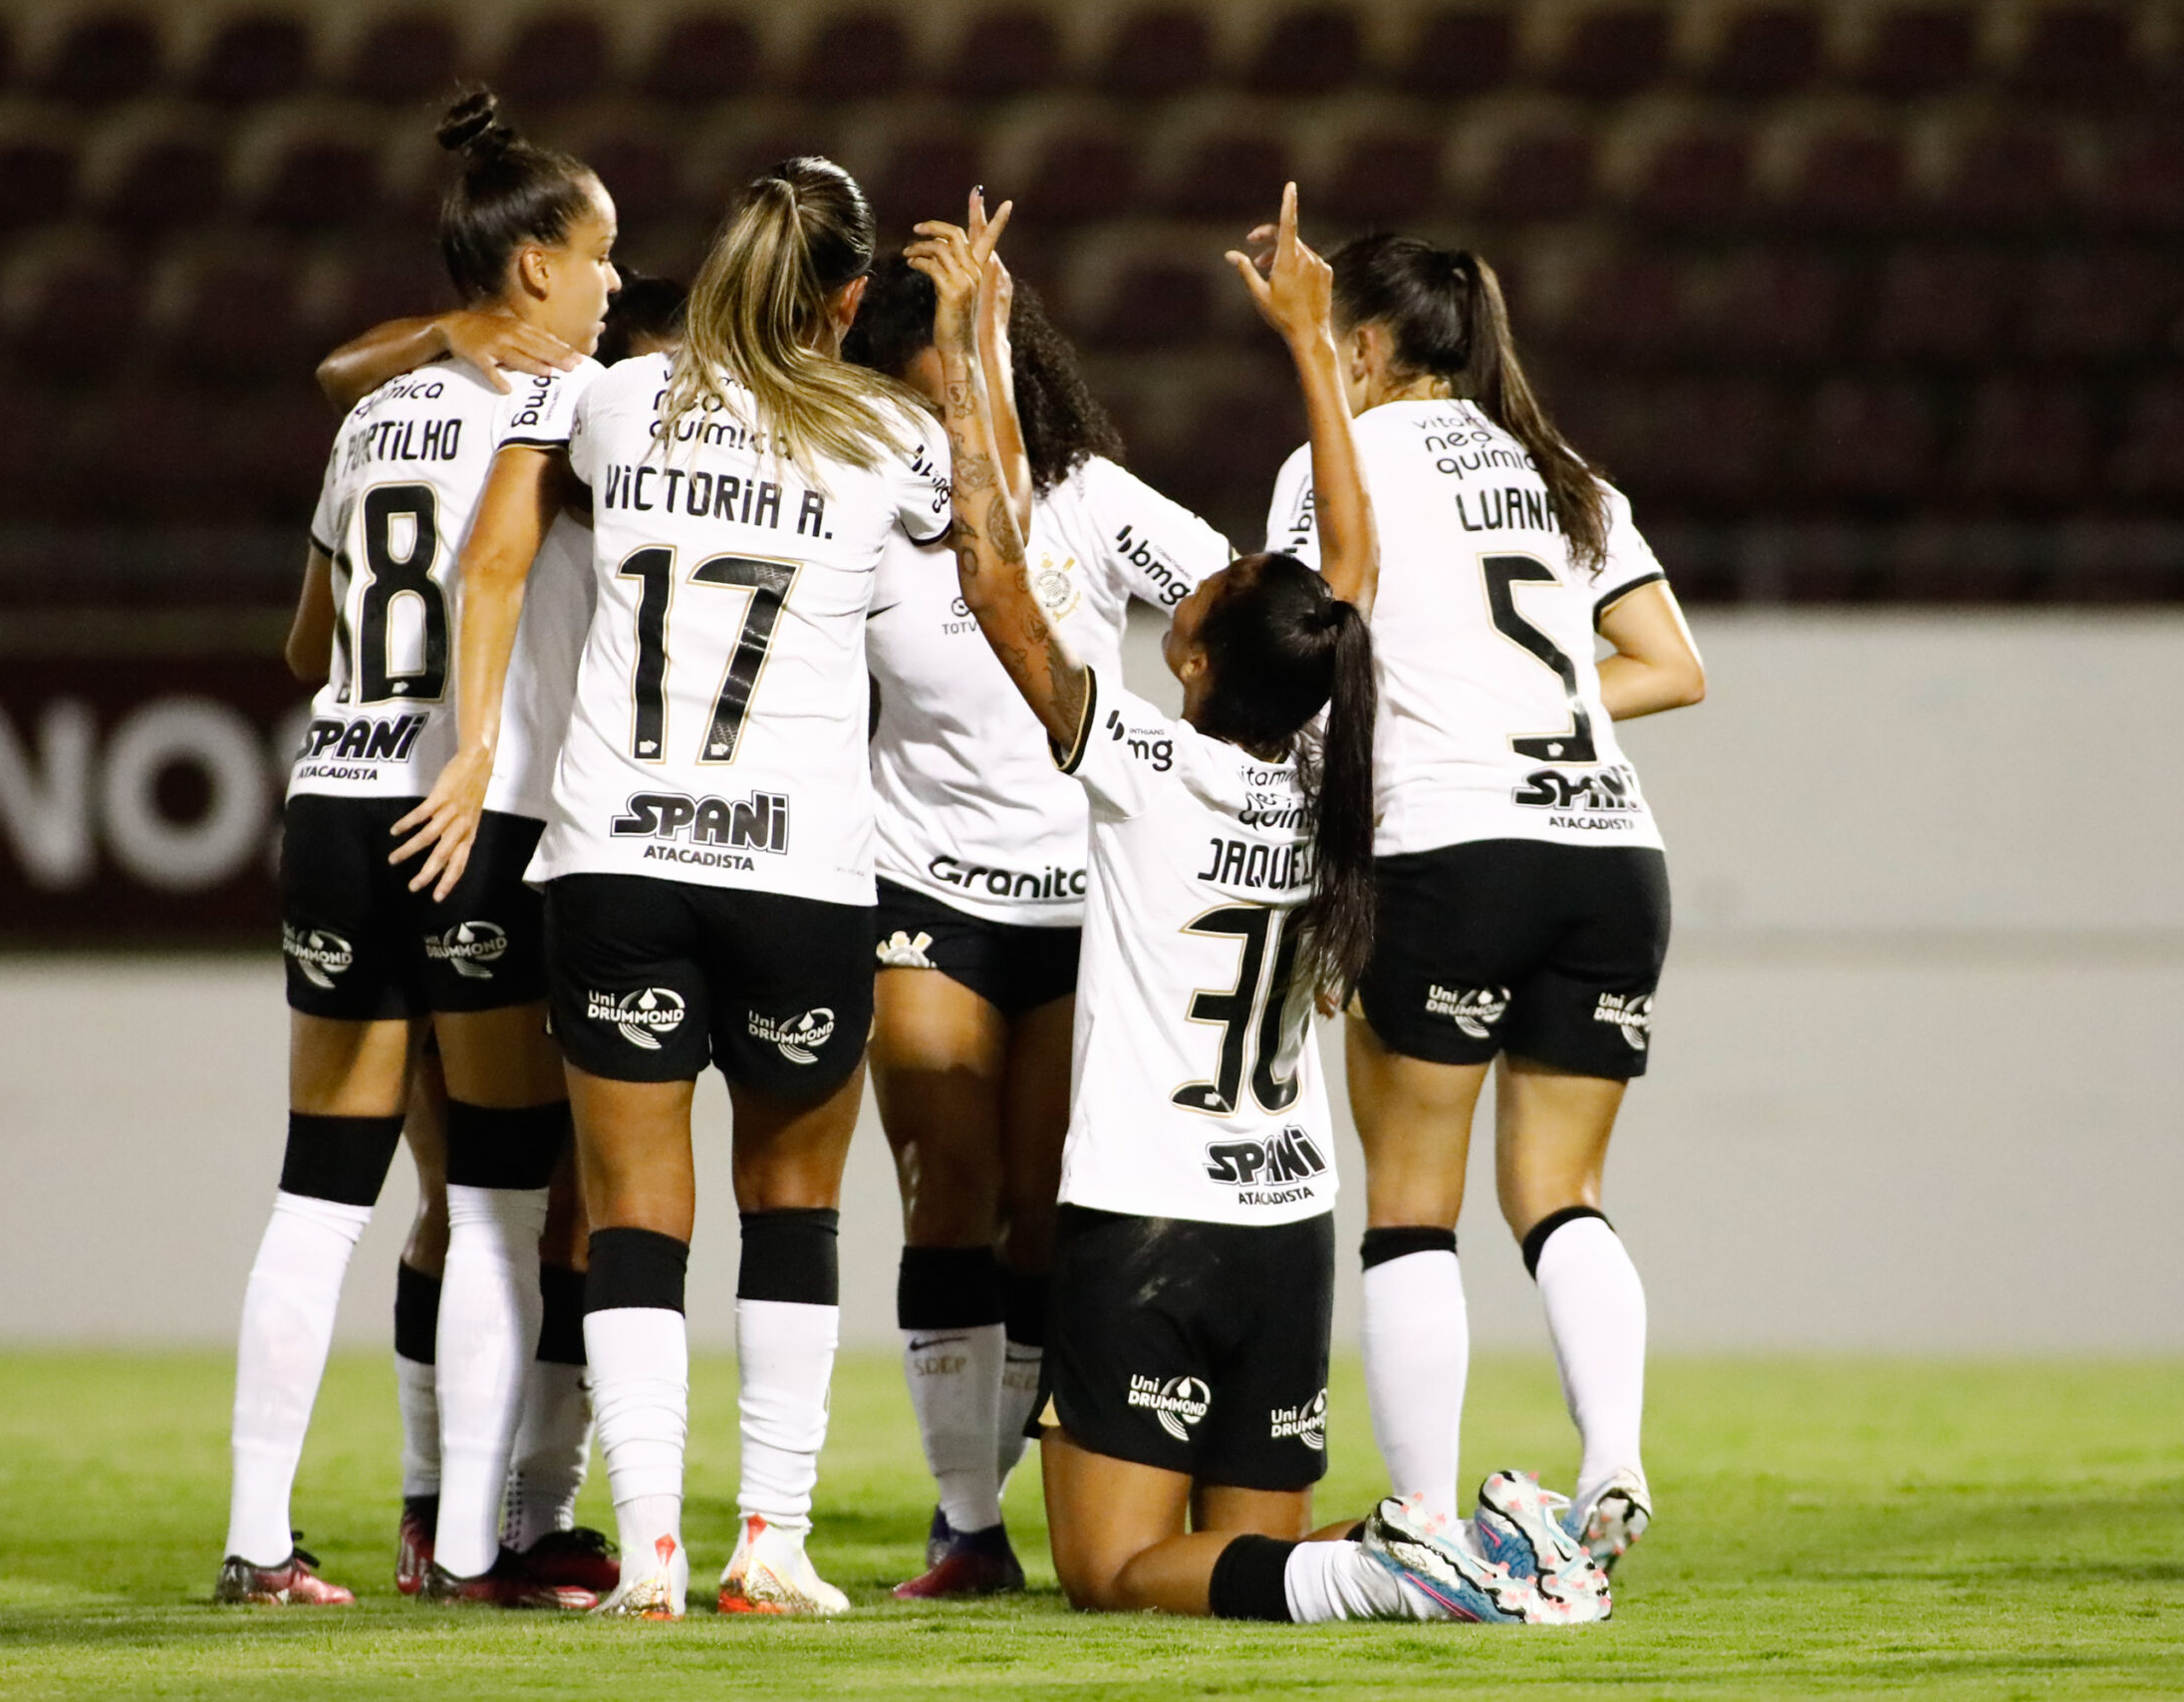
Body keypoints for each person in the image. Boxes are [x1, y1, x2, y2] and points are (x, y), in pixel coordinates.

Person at [914, 185, 1608, 1626]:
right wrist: (1307, 342)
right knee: (1255, 1565)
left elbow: (992, 576)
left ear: (1202, 656)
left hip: (1147, 1219)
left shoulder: (1145, 762)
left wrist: (978, 350)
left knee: (1109, 1573)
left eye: (1224, 581)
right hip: (1287, 1224)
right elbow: (1344, 579)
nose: (1219, 563)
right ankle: (1466, 1544)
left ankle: (1402, 1568)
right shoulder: (1336, 779)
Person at [527, 155, 955, 1619]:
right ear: (847, 300)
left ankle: (646, 1543)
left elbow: (550, 471)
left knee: (635, 1210)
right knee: (793, 1207)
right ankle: (767, 1539)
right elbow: (978, 516)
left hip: (619, 851)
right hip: (795, 867)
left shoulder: (615, 403)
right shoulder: (886, 435)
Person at [214, 89, 615, 1608]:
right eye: (597, 256)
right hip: (471, 808)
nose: (604, 286)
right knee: (507, 1202)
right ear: (532, 271)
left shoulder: (374, 414)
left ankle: (260, 1546)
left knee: (322, 1190)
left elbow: (308, 638)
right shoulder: (561, 407)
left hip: (330, 799)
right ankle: (466, 1555)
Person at [1257, 229, 1706, 1569]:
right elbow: (1671, 667)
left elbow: (1303, 654)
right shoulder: (1566, 476)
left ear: (1371, 347)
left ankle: (1424, 1521)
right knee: (1560, 1192)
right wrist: (1532, 708)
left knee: (1409, 1201)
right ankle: (1614, 1455)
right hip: (1611, 849)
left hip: (1450, 849)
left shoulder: (1338, 461)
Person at [843, 239, 1233, 1595]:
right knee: (942, 1186)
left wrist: (1197, 756)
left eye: (974, 364)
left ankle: (1016, 1478)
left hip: (1085, 906)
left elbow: (1234, 602)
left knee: (1044, 1216)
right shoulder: (863, 513)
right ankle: (967, 1523)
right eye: (925, 380)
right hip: (921, 886)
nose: (951, 404)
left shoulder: (1090, 498)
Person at [317, 268, 690, 1601]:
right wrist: (448, 331)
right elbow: (341, 371)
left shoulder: (658, 521)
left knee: (565, 1206)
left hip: (575, 849)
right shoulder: (538, 459)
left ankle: (530, 1513)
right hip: (480, 832)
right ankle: (444, 1512)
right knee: (472, 1199)